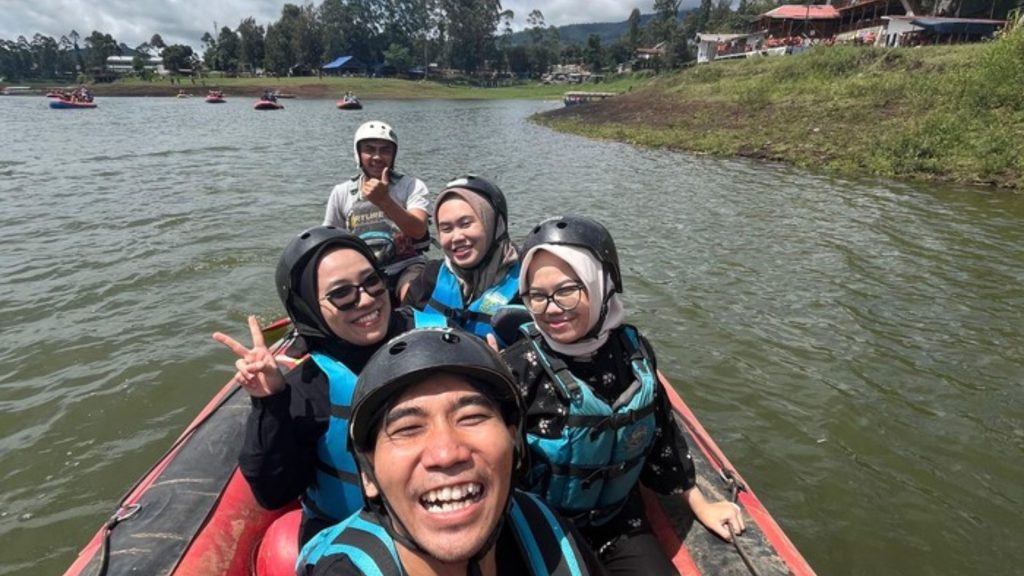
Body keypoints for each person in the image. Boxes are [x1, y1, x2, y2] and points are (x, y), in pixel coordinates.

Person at [501, 215, 745, 575]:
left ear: (602, 284)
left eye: (568, 290)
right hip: (541, 529)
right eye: (537, 296)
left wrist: (700, 502)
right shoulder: (518, 369)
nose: (552, 308)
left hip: (619, 524)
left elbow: (663, 435)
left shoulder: (634, 352)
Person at [297, 328, 605, 575]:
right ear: (368, 474)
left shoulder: (546, 533)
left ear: (515, 443)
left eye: (472, 417)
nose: (446, 453)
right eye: (407, 429)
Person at [212, 226, 446, 548]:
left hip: (448, 513)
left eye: (371, 281)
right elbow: (272, 492)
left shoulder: (438, 341)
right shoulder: (307, 388)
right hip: (357, 540)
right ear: (308, 307)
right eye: (341, 294)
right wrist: (270, 403)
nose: (365, 300)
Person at [403, 175, 520, 346]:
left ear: (496, 225)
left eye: (466, 224)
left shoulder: (527, 284)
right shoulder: (429, 278)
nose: (456, 237)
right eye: (446, 228)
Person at [323, 121, 431, 302]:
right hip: (362, 272)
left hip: (406, 266)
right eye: (369, 149)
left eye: (385, 150)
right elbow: (329, 241)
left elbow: (418, 230)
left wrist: (384, 201)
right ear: (358, 154)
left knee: (412, 293)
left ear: (394, 155)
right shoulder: (342, 192)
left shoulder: (411, 186)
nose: (377, 157)